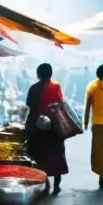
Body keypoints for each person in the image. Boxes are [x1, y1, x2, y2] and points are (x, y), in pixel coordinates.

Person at [25, 63, 69, 196]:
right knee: (56, 153)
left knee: (38, 154)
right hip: (54, 125)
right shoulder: (56, 87)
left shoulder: (33, 88)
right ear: (51, 74)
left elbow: (29, 104)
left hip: (36, 125)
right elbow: (61, 103)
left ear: (38, 74)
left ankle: (43, 182)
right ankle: (56, 184)